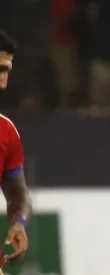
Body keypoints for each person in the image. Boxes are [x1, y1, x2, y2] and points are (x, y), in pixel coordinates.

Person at [0, 30, 32, 274]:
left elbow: (17, 194)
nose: (3, 83)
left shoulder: (6, 132)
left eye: (6, 71)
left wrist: (18, 222)